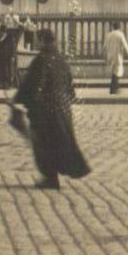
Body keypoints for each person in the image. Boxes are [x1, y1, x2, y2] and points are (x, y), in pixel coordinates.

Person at [11, 29, 91, 191]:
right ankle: (52, 177)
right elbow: (70, 86)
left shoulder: (41, 59)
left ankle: (50, 178)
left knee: (43, 144)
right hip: (62, 109)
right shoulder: (61, 59)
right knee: (57, 143)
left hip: (46, 111)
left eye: (38, 40)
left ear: (42, 41)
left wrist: (18, 99)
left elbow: (33, 84)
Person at [103, 21, 128, 96]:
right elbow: (125, 45)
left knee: (113, 71)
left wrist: (104, 55)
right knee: (118, 72)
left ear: (113, 27)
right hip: (117, 55)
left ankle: (113, 89)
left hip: (110, 55)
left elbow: (104, 47)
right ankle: (114, 89)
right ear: (119, 27)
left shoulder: (108, 35)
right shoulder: (120, 34)